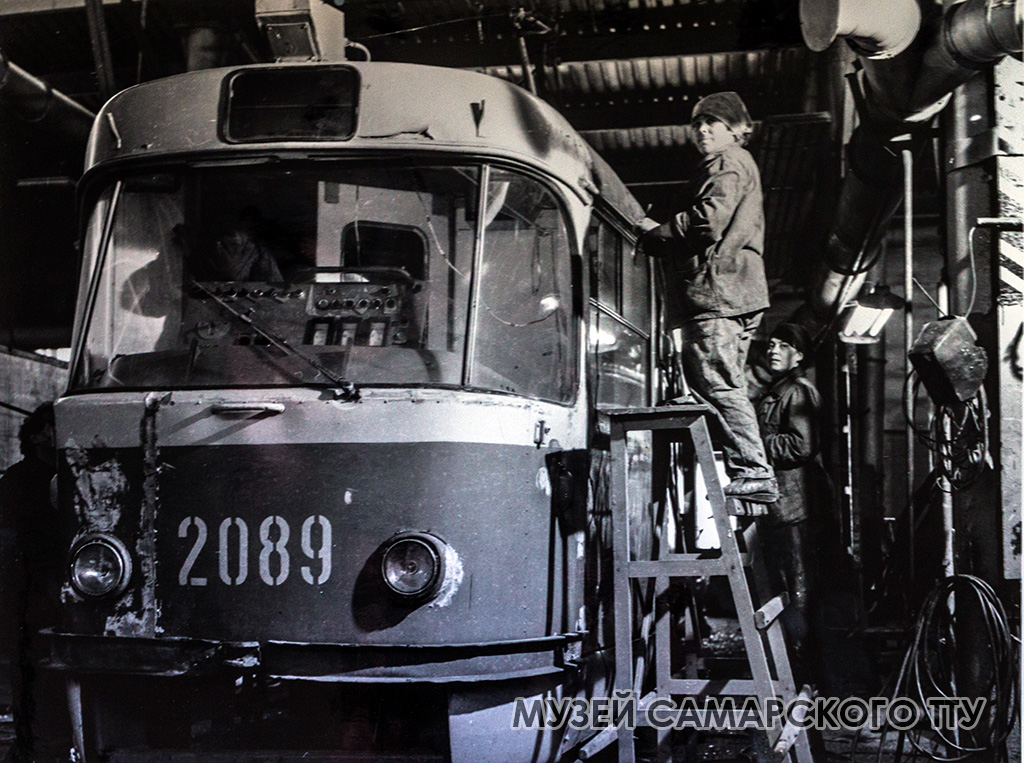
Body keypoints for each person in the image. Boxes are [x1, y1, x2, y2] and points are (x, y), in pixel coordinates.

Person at [639, 91, 776, 503]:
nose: (702, 130)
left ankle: (754, 471)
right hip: (737, 291)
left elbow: (708, 221)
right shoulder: (739, 163)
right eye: (698, 123)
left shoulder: (726, 161)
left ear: (735, 129)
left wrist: (657, 229)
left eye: (712, 122)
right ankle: (751, 473)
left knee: (717, 383)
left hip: (718, 290)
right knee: (723, 382)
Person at [755, 323, 832, 658]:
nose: (773, 350)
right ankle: (794, 661)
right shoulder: (778, 390)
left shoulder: (798, 391)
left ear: (798, 354)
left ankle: (803, 666)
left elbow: (801, 445)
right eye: (771, 344)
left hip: (794, 506)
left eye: (783, 345)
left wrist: (757, 443)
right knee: (787, 583)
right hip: (782, 504)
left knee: (799, 585)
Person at [0, 402, 65, 761]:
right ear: (39, 435)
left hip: (49, 597)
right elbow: (11, 546)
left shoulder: (67, 478)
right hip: (30, 601)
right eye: (56, 425)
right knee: (32, 681)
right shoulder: (19, 482)